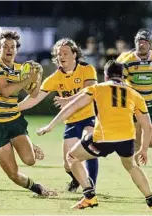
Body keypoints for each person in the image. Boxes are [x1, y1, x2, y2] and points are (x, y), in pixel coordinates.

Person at [36, 60, 152, 210]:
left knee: (72, 157)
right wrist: (144, 149)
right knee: (131, 166)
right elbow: (147, 126)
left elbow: (73, 106)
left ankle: (89, 196)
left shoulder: (96, 88)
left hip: (103, 138)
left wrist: (51, 125)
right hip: (127, 139)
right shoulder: (134, 94)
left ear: (106, 76)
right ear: (123, 76)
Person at [18, 38, 99, 192]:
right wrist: (15, 108)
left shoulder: (87, 69)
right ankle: (76, 179)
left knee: (90, 148)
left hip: (89, 117)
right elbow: (35, 98)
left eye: (65, 53)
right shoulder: (55, 78)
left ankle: (91, 186)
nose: (61, 56)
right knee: (67, 164)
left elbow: (89, 91)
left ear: (74, 54)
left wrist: (68, 99)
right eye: (58, 54)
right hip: (71, 121)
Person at [0, 30, 55, 196]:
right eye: (5, 46)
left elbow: (34, 94)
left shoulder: (20, 69)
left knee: (30, 160)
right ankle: (37, 188)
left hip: (14, 121)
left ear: (17, 50)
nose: (9, 49)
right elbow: (5, 91)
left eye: (13, 47)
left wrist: (37, 77)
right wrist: (27, 80)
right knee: (13, 175)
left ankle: (24, 144)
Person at [117, 29, 152, 165]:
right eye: (139, 42)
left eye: (144, 42)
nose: (141, 45)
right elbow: (119, 80)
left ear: (150, 44)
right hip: (134, 106)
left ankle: (131, 146)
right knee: (138, 137)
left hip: (151, 104)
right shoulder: (128, 61)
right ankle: (136, 162)